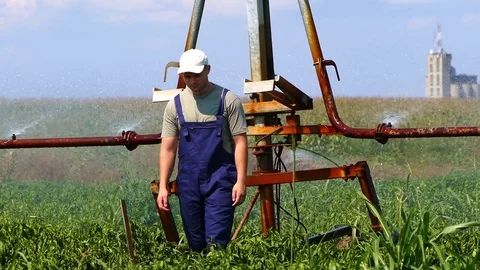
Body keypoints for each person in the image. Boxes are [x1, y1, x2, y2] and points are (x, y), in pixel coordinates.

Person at [156, 48, 248, 253]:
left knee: (216, 243)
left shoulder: (228, 100)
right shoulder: (175, 105)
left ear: (208, 70)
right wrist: (163, 185)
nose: (192, 81)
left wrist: (241, 180)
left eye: (196, 75)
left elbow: (240, 142)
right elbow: (168, 148)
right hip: (189, 182)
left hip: (221, 180)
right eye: (187, 76)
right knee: (196, 243)